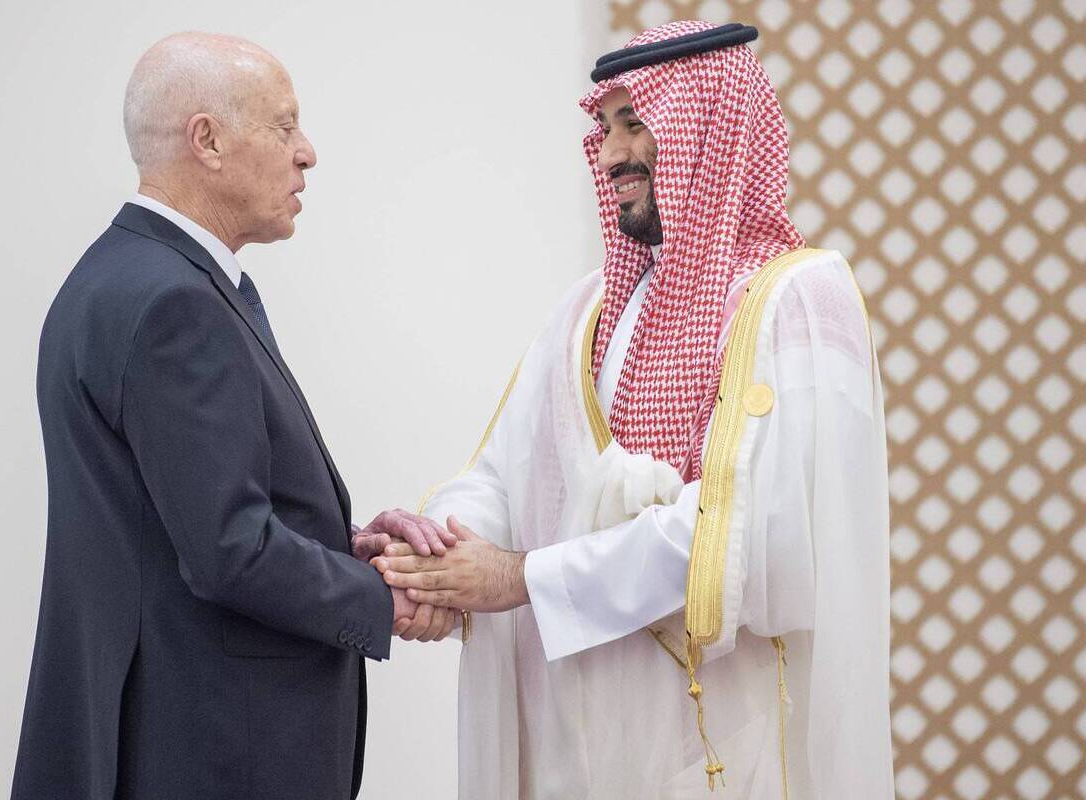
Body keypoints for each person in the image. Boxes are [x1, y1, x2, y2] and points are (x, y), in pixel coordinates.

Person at [374, 20, 894, 798]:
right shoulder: (590, 309)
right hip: (579, 746)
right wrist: (436, 560)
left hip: (722, 743)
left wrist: (521, 579)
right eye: (605, 128)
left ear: (708, 132)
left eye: (636, 124)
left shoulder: (798, 302)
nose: (611, 154)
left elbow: (760, 540)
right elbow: (509, 472)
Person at [11, 32, 454, 800]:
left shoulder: (111, 278)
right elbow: (228, 550)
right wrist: (383, 598)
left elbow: (169, 521)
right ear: (207, 141)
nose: (307, 152)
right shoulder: (175, 302)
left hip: (153, 729)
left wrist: (347, 547)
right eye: (284, 128)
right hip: (209, 749)